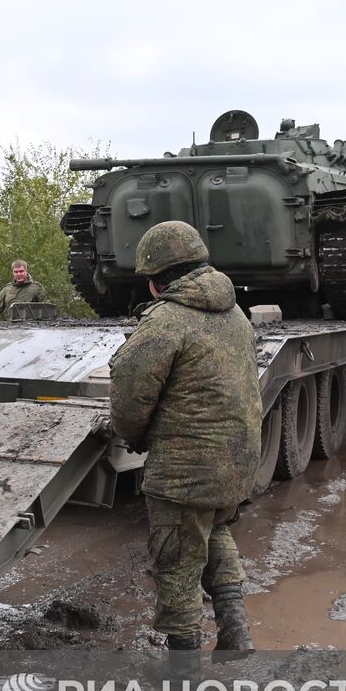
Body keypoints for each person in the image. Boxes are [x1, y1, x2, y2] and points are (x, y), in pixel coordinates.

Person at [108, 221, 262, 652]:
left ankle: (184, 665)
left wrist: (130, 435)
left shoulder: (165, 322)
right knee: (214, 531)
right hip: (236, 461)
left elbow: (129, 400)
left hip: (185, 470)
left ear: (155, 281)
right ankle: (236, 632)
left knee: (176, 559)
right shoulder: (236, 316)